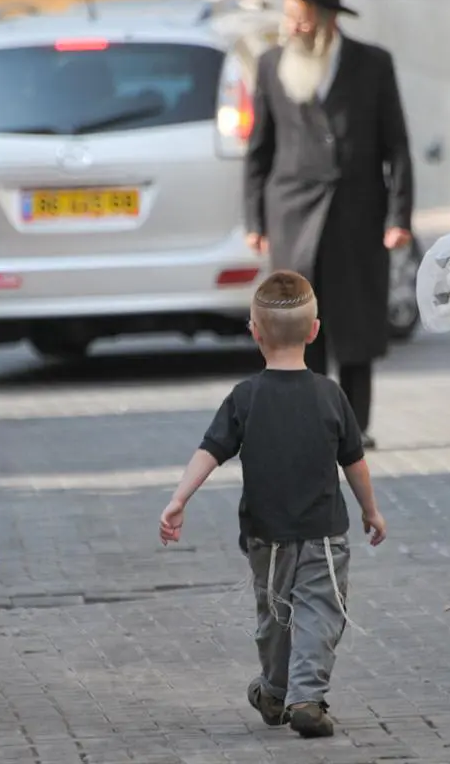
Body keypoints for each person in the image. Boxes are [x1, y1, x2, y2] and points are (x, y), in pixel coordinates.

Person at [160, 270, 386, 739]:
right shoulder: (331, 394)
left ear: (254, 332)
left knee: (275, 617)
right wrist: (370, 510)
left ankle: (276, 690)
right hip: (323, 534)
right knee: (319, 613)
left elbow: (210, 450)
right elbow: (355, 463)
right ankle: (302, 697)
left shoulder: (245, 397)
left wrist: (179, 499)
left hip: (265, 536)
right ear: (315, 330)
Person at [244, 0, 414, 449]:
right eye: (289, 18)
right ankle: (310, 424)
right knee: (298, 324)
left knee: (357, 327)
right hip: (292, 214)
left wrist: (399, 217)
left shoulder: (373, 63)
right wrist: (254, 221)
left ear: (327, 19)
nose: (293, 27)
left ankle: (355, 428)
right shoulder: (269, 65)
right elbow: (259, 148)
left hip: (357, 212)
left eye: (301, 19)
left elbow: (396, 146)